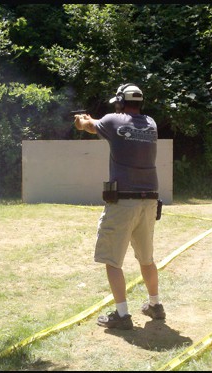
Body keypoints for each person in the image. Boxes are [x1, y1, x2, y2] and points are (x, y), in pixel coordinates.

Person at [74, 83, 166, 330]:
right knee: (146, 259)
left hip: (123, 200)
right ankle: (155, 304)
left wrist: (81, 121)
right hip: (149, 200)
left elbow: (92, 126)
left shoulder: (113, 120)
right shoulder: (151, 124)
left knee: (112, 260)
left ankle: (122, 315)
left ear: (119, 101)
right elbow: (111, 124)